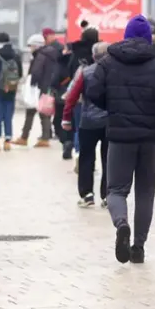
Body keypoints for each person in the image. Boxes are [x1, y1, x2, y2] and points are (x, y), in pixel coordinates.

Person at [86, 15, 155, 265]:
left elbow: (93, 92)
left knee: (116, 190)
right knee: (145, 192)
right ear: (147, 38)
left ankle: (121, 225)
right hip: (150, 137)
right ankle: (138, 247)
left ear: (125, 35)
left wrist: (114, 109)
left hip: (119, 136)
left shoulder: (108, 62)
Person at [62, 42, 110, 207]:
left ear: (93, 56)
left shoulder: (85, 72)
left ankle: (87, 195)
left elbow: (72, 95)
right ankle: (107, 196)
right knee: (109, 159)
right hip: (110, 123)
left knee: (86, 158)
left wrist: (66, 118)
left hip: (88, 122)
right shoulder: (117, 73)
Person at [13, 33, 58, 147]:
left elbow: (36, 72)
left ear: (36, 46)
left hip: (38, 88)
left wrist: (31, 84)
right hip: (47, 87)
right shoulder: (51, 54)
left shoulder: (41, 56)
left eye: (31, 46)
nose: (30, 49)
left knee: (32, 112)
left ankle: (26, 137)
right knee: (44, 112)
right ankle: (44, 137)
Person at [63, 25, 99, 160]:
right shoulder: (97, 53)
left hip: (78, 93)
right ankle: (89, 154)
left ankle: (79, 153)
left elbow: (69, 70)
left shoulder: (76, 52)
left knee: (79, 125)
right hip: (95, 94)